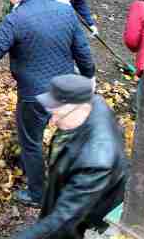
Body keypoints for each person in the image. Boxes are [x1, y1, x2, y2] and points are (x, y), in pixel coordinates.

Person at [0, 0, 96, 207]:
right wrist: (89, 76)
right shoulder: (65, 10)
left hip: (35, 93)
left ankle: (37, 194)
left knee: (31, 141)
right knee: (66, 135)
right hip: (65, 87)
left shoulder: (16, 19)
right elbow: (82, 49)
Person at [13, 74, 128, 239]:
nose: (53, 121)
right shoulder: (94, 103)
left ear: (81, 108)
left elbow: (65, 216)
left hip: (88, 215)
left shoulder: (96, 161)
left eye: (59, 115)